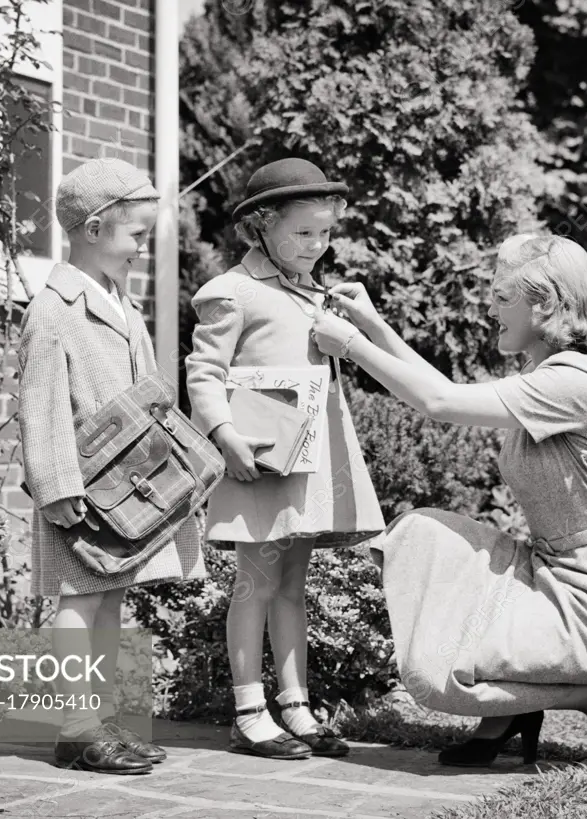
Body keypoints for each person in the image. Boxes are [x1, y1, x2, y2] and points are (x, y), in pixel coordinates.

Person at [310, 233, 587, 770]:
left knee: (442, 669)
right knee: (421, 532)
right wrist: (372, 325)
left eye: (503, 297)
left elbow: (439, 401)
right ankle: (508, 713)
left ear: (544, 303)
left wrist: (352, 347)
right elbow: (441, 387)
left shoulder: (578, 381)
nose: (489, 308)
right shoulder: (543, 373)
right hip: (554, 573)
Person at [185, 158, 386, 760]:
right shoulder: (233, 292)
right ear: (262, 226)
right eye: (304, 232)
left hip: (310, 458)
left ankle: (296, 705)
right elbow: (204, 372)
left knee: (293, 584)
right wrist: (223, 434)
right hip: (260, 458)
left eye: (327, 233)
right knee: (256, 583)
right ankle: (250, 711)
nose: (318, 245)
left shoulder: (317, 294)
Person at [18, 157, 206, 774]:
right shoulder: (56, 307)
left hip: (126, 488)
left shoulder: (121, 302)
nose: (143, 249)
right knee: (78, 599)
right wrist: (54, 485)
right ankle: (75, 728)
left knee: (111, 596)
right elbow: (40, 401)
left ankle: (99, 723)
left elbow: (146, 390)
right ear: (94, 228)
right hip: (81, 486)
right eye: (138, 236)